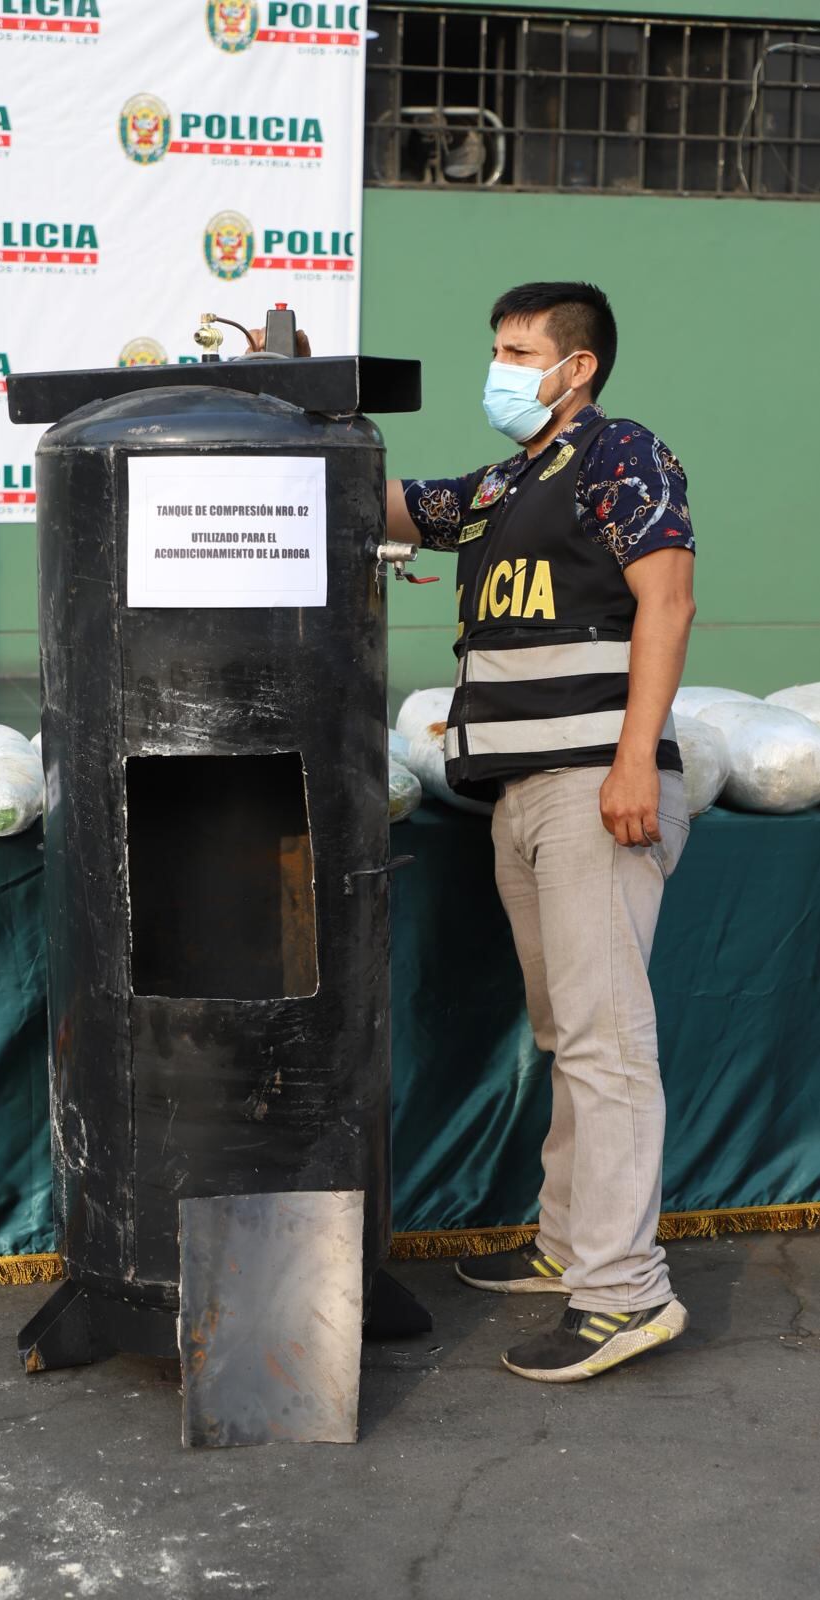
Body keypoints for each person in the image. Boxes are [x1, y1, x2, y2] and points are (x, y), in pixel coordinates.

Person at [385, 282, 697, 1382]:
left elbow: (666, 605)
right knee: (571, 1032)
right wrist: (296, 430)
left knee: (609, 1046)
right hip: (520, 793)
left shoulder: (625, 458)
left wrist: (630, 759)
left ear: (580, 367)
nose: (499, 366)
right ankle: (571, 1245)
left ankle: (625, 1293)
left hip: (591, 785)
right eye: (496, 346)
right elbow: (397, 508)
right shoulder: (508, 481)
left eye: (519, 350)